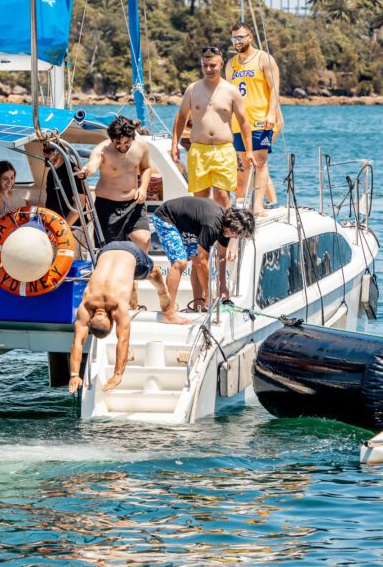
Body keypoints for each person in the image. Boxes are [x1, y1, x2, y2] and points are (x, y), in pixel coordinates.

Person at [68, 241, 171, 393]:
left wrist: (118, 374)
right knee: (124, 273)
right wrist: (74, 374)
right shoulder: (87, 303)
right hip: (106, 250)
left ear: (113, 321)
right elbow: (76, 342)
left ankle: (163, 293)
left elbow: (122, 340)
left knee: (153, 273)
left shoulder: (118, 306)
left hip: (132, 251)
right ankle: (132, 282)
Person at [172, 47, 255, 209]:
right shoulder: (192, 89)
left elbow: (244, 121)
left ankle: (225, 232)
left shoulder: (231, 91)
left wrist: (249, 150)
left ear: (221, 64)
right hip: (198, 150)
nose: (208, 69)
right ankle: (202, 232)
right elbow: (181, 117)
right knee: (200, 198)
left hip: (223, 150)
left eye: (212, 65)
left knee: (222, 196)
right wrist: (174, 144)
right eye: (205, 65)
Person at [152, 196, 255, 324]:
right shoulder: (213, 225)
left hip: (187, 224)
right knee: (180, 263)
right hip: (165, 217)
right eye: (238, 234)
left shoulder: (226, 229)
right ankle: (168, 312)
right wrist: (209, 293)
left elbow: (221, 258)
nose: (237, 237)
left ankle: (198, 305)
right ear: (232, 227)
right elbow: (203, 262)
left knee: (196, 259)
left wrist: (223, 285)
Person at [226, 22, 281, 216]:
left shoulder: (264, 59)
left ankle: (259, 205)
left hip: (260, 120)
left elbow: (274, 88)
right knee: (244, 164)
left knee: (260, 161)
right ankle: (242, 203)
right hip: (238, 123)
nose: (237, 42)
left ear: (250, 37)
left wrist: (271, 113)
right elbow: (227, 92)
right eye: (234, 38)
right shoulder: (231, 64)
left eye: (240, 37)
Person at [78, 116, 151, 251]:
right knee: (108, 250)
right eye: (117, 142)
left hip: (134, 203)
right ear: (111, 139)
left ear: (133, 137)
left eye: (126, 142)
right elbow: (93, 164)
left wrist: (143, 188)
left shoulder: (142, 146)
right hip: (107, 207)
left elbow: (146, 168)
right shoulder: (102, 150)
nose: (122, 146)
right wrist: (88, 170)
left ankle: (140, 270)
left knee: (143, 239)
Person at [42, 144, 85, 226]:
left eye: (47, 151)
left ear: (59, 152)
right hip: (53, 225)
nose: (44, 155)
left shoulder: (73, 172)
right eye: (44, 151)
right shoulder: (51, 173)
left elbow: (80, 204)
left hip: (72, 226)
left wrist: (64, 227)